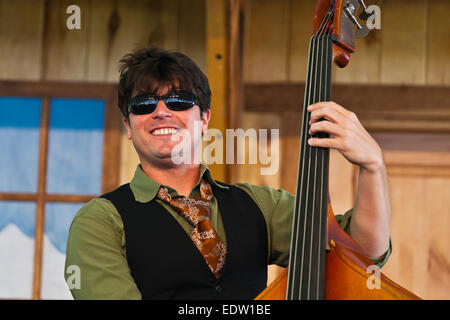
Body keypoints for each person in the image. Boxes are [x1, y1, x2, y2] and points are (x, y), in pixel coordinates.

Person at [64, 47, 392, 300]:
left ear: (204, 118)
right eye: (143, 104)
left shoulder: (261, 205)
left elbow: (362, 255)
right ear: (128, 126)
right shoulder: (101, 221)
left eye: (178, 100)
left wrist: (373, 166)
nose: (161, 111)